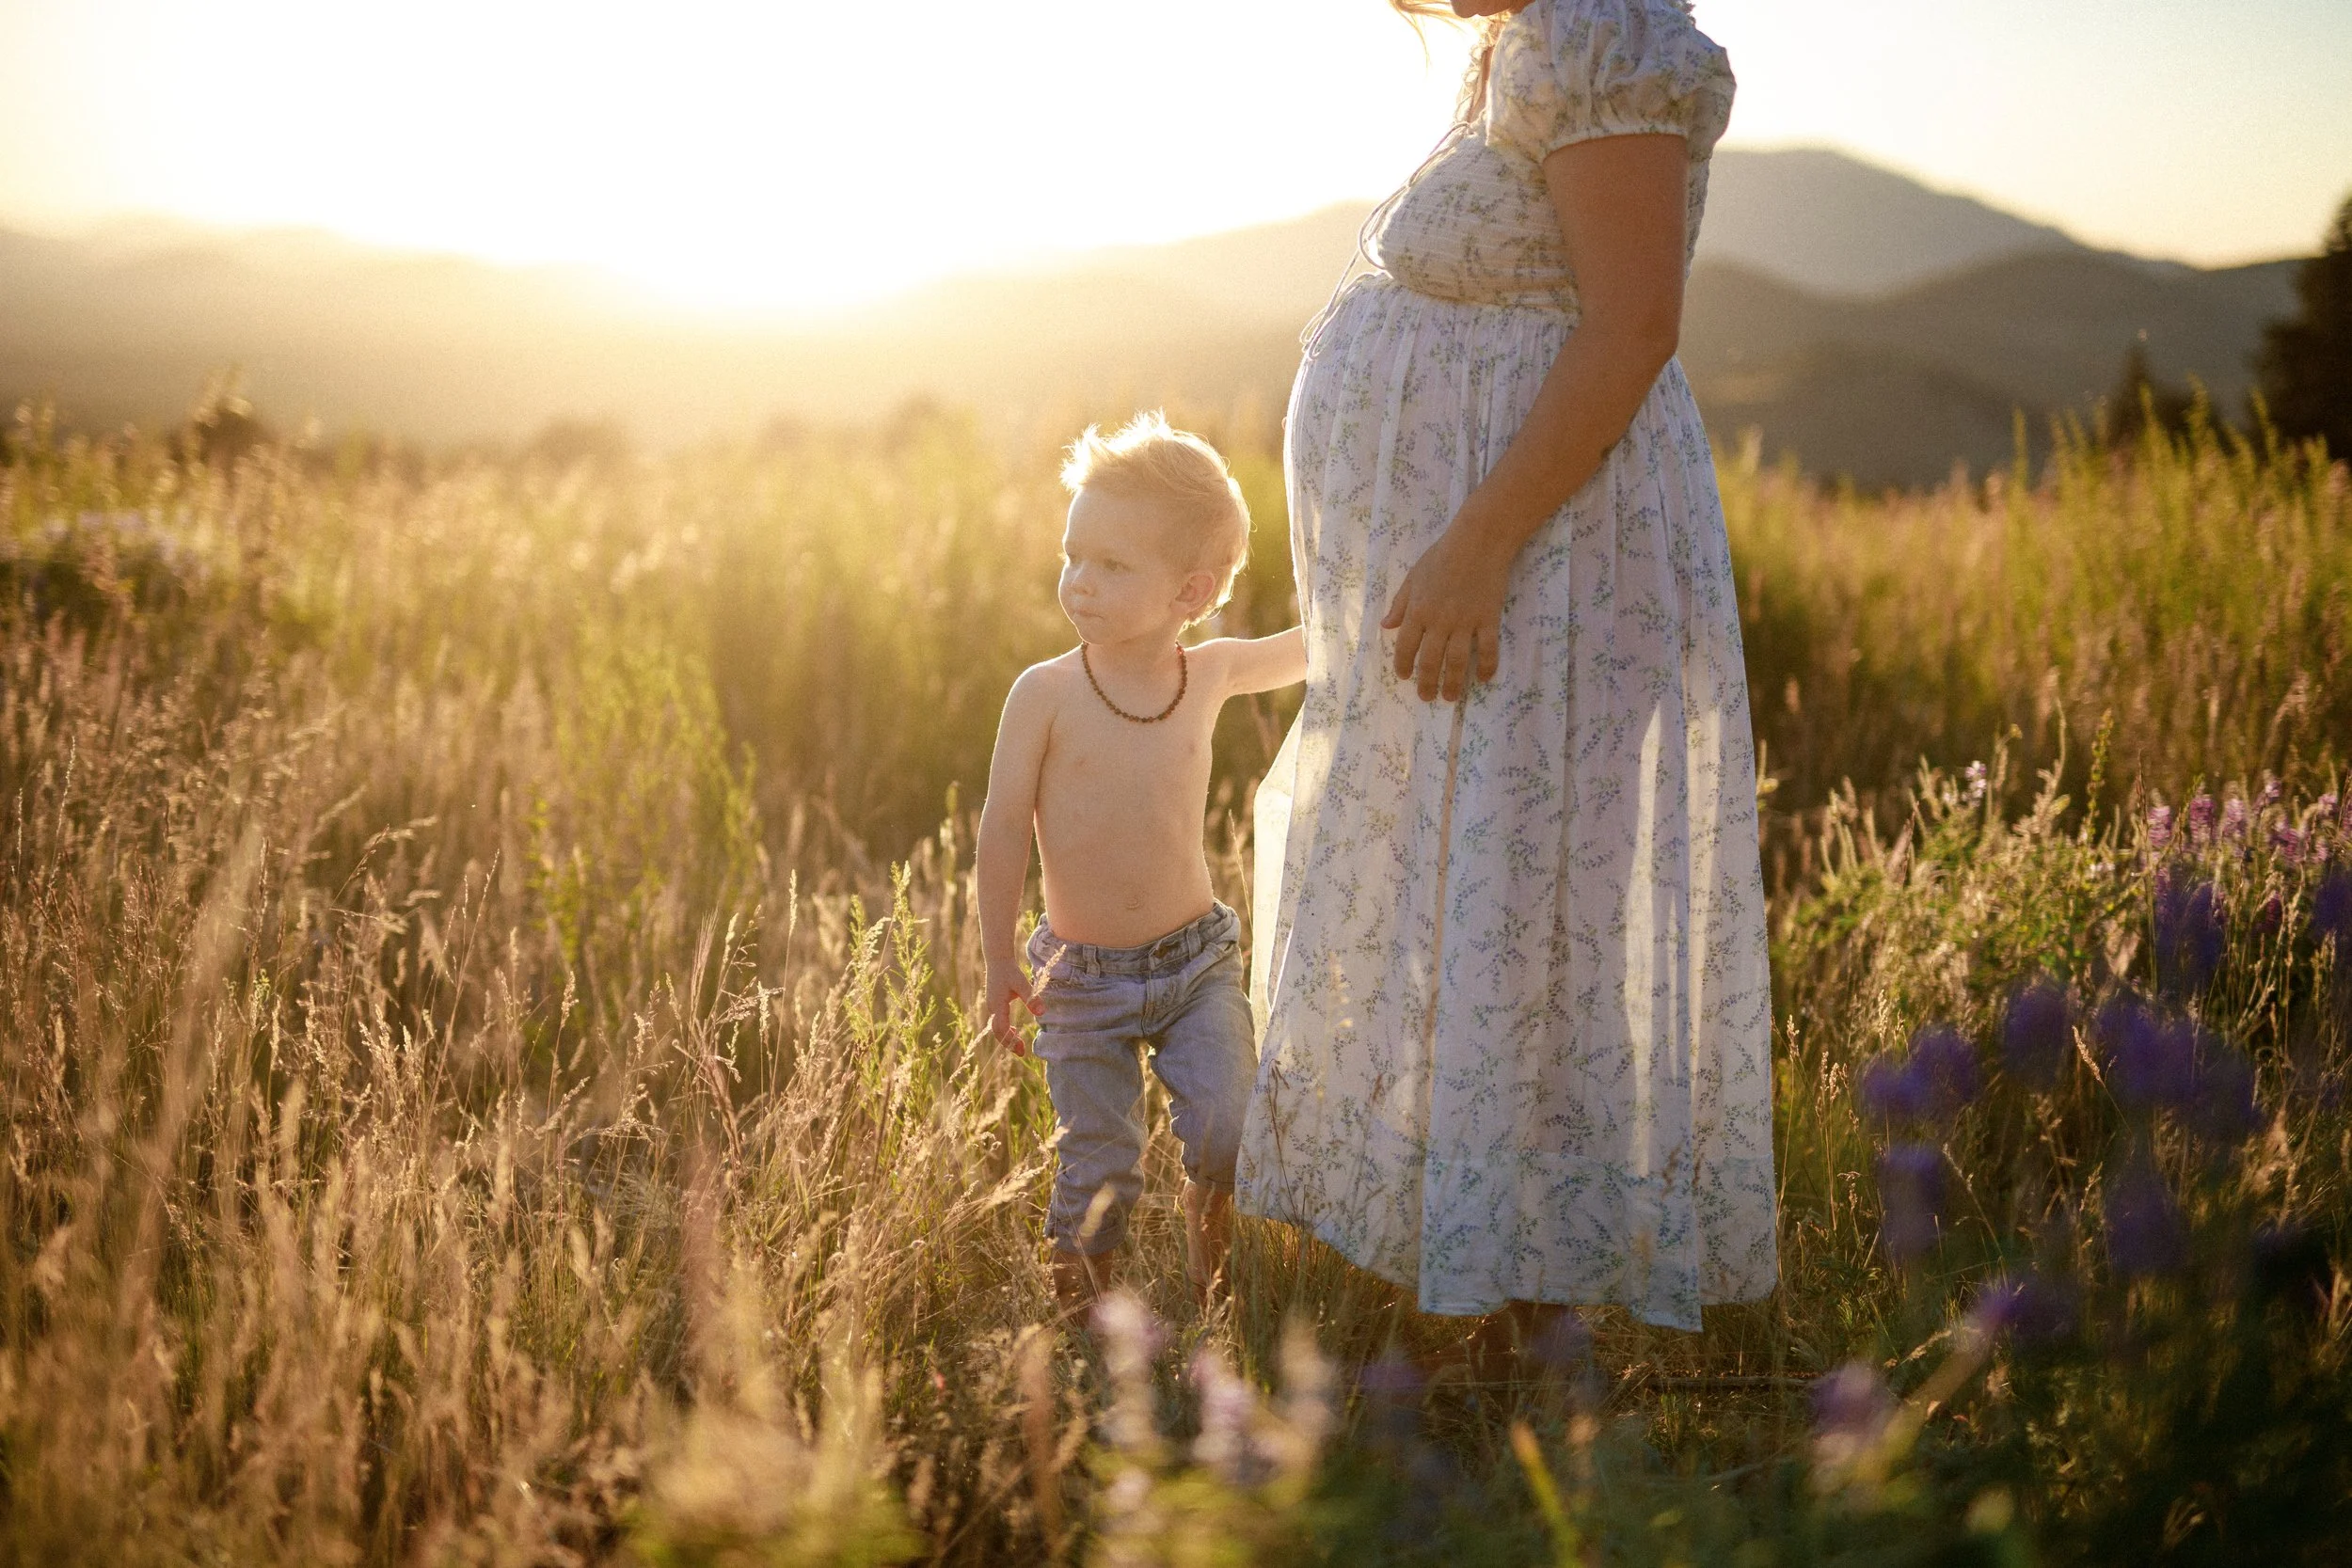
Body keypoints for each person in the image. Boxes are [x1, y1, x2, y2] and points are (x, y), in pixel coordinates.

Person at [1236, 0, 1776, 1340]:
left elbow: (1632, 327)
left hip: (1551, 567)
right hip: (1500, 567)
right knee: (1476, 905)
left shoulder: (1604, 28)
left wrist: (1477, 544)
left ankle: (1528, 1316)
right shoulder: (1531, 34)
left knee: (1529, 915)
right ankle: (1466, 1266)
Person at [978, 412, 1307, 1314]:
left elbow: (1317, 644)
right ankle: (1085, 1314)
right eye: (1072, 556)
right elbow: (1002, 828)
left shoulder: (1210, 673)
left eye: (1112, 565)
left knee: (1229, 1130)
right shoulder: (1044, 694)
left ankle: (1213, 1272)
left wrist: (1383, 569)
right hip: (1080, 979)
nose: (1079, 580)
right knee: (1099, 1165)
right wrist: (1000, 956)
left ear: (1189, 592)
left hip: (1197, 964)